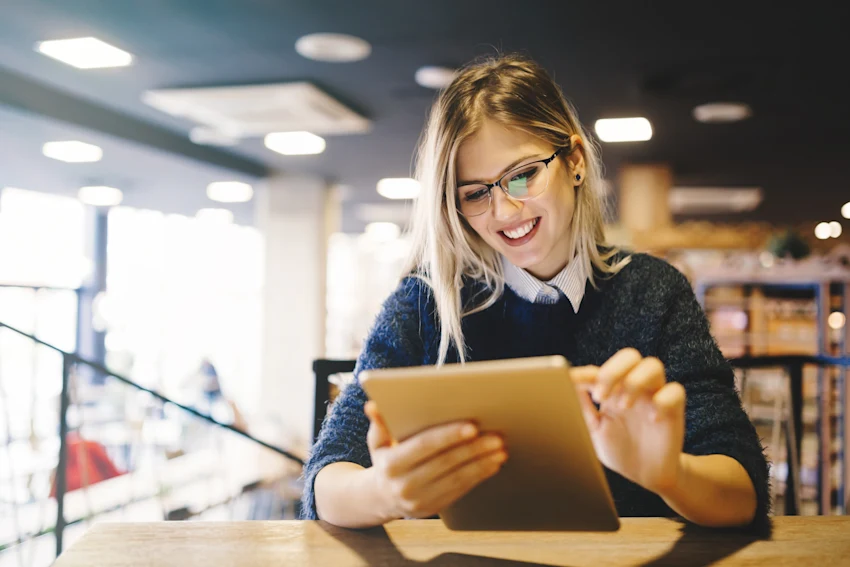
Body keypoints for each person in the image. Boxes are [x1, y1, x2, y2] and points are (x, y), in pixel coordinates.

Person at [302, 54, 769, 532]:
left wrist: (669, 474)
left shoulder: (654, 292)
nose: (505, 211)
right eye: (475, 193)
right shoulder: (426, 301)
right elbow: (328, 476)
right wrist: (382, 492)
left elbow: (742, 491)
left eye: (523, 175)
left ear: (575, 162)